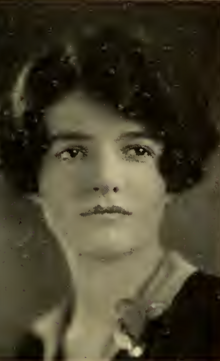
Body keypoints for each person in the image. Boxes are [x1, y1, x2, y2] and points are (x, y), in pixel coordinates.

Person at [0, 23, 220, 360]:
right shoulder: (32, 350)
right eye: (73, 152)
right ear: (34, 178)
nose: (106, 179)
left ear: (172, 174)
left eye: (136, 151)